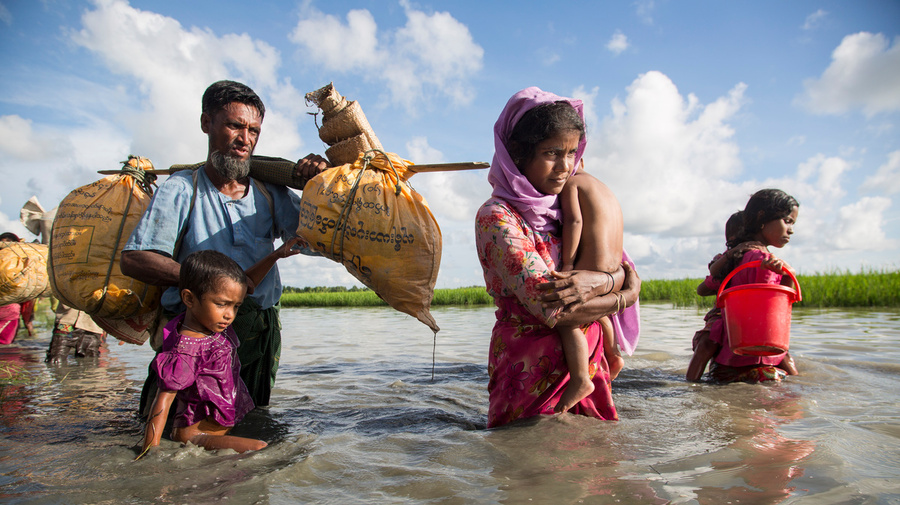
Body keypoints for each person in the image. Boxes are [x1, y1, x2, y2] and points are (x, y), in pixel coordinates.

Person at [121, 80, 329, 412]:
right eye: (234, 126)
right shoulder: (181, 189)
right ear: (207, 123)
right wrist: (205, 281)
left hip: (257, 332)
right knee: (172, 423)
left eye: (254, 131)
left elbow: (319, 244)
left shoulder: (270, 192)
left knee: (250, 421)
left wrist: (321, 186)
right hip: (195, 332)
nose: (245, 139)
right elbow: (134, 259)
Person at [475, 87, 641, 428]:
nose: (565, 166)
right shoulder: (498, 217)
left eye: (571, 153)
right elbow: (554, 307)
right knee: (526, 465)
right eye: (551, 153)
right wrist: (625, 295)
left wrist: (610, 280)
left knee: (593, 467)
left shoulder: (564, 206)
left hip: (589, 363)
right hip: (530, 366)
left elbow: (612, 266)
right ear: (518, 153)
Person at [138, 249, 288, 458]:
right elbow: (163, 400)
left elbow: (248, 284)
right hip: (196, 436)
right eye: (221, 304)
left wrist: (276, 255)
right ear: (189, 299)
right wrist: (149, 451)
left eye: (236, 306)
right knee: (265, 449)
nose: (229, 314)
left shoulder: (211, 326)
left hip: (216, 427)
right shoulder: (188, 349)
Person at [693, 189, 801, 383]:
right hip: (757, 345)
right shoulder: (761, 259)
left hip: (734, 344)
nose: (791, 230)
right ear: (762, 218)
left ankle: (691, 381)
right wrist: (789, 274)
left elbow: (705, 286)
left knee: (707, 344)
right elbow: (772, 304)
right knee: (786, 359)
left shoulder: (741, 256)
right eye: (787, 221)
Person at [556, 161, 632, 414]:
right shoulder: (604, 187)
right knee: (601, 312)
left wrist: (567, 261)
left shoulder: (573, 184)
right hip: (613, 266)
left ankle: (580, 379)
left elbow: (575, 222)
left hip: (592, 265)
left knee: (570, 319)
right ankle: (613, 354)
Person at [0, 232, 35, 345]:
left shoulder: (21, 265)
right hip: (10, 312)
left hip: (9, 312)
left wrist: (28, 320)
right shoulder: (20, 265)